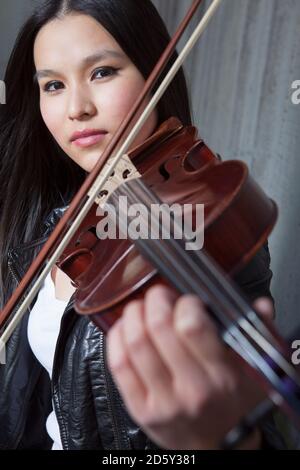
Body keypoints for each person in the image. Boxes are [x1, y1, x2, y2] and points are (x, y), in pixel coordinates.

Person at [0, 0, 286, 450]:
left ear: (155, 71)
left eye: (102, 72)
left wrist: (220, 438)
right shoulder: (51, 218)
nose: (76, 108)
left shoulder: (204, 226)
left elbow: (262, 432)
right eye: (53, 85)